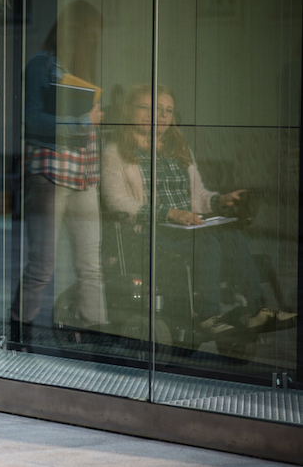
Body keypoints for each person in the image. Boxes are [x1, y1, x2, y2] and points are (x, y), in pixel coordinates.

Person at [101, 84, 296, 338]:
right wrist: (168, 213)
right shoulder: (116, 152)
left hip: (185, 228)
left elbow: (199, 197)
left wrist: (219, 201)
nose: (159, 116)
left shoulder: (178, 151)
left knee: (233, 237)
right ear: (129, 111)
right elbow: (116, 201)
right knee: (206, 245)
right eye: (149, 108)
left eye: (167, 111)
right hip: (147, 236)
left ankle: (257, 311)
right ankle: (207, 317)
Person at [11, 0, 108, 349]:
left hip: (84, 176)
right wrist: (83, 121)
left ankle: (98, 337)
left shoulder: (88, 70)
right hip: (50, 173)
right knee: (42, 265)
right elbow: (31, 120)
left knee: (91, 265)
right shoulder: (42, 65)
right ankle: (19, 335)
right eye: (90, 36)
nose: (94, 43)